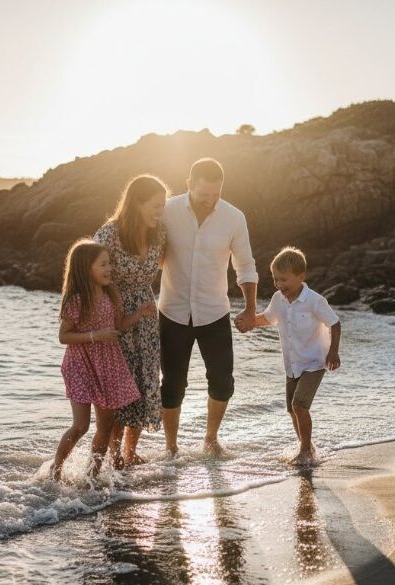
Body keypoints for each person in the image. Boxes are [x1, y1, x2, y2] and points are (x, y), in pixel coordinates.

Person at [159, 158, 258, 456]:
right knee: (173, 384)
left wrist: (251, 310)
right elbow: (145, 250)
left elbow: (245, 265)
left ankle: (211, 439)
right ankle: (171, 447)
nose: (210, 200)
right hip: (172, 312)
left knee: (223, 382)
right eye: (205, 194)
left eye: (216, 194)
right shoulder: (166, 210)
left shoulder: (234, 217)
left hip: (215, 311)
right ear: (189, 184)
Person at [49, 239, 155, 481]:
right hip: (81, 365)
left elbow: (118, 326)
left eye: (110, 264)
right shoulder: (76, 300)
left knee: (105, 427)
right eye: (104, 264)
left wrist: (139, 314)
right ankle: (55, 471)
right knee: (80, 426)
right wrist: (96, 336)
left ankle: (92, 476)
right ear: (86, 268)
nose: (110, 269)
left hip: (108, 365)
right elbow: (63, 336)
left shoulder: (111, 294)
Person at [93, 175, 168, 467]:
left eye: (162, 206)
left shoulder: (159, 233)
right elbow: (90, 272)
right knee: (119, 387)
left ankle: (129, 451)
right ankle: (113, 455)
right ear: (137, 202)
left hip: (147, 318)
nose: (160, 211)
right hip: (115, 315)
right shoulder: (109, 234)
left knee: (145, 380)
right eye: (155, 206)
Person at [250, 246, 341, 465]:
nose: (279, 285)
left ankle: (305, 452)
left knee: (300, 405)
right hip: (292, 364)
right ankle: (307, 446)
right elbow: (268, 318)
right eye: (275, 280)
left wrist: (333, 351)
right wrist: (249, 321)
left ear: (301, 277)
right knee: (292, 409)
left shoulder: (314, 301)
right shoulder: (278, 299)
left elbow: (335, 323)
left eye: (284, 280)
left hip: (314, 362)